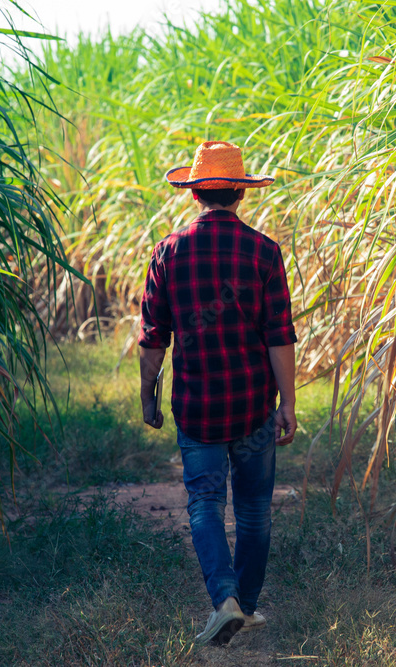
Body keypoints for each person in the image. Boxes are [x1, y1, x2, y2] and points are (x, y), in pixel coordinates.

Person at [136, 141, 298, 645]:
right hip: (252, 407)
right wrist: (288, 402)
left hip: (197, 407)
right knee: (253, 508)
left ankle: (225, 599)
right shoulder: (264, 251)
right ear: (240, 195)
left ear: (194, 195)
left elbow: (151, 339)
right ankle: (245, 605)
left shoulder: (169, 252)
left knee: (205, 502)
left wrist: (148, 398)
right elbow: (280, 335)